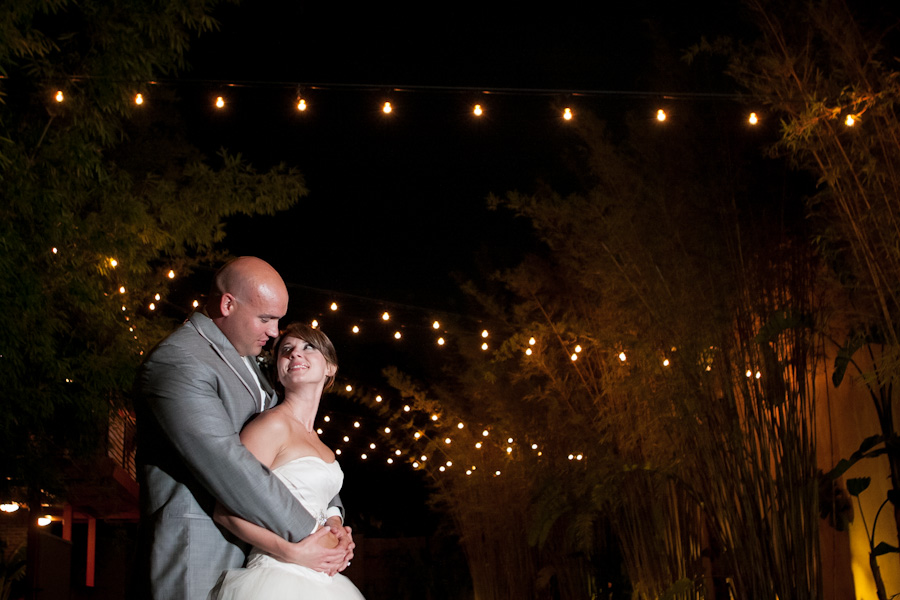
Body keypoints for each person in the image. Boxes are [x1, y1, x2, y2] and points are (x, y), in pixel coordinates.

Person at [134, 257, 353, 599]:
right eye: (266, 319)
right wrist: (315, 533)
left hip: (258, 555)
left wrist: (333, 520)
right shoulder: (180, 361)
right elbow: (229, 463)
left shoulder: (250, 361)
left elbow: (298, 460)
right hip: (201, 552)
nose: (275, 333)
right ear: (227, 304)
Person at [212, 322, 365, 599]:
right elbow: (225, 511)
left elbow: (323, 503)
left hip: (325, 581)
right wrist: (292, 553)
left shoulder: (321, 443)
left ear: (330, 367)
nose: (295, 354)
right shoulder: (270, 426)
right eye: (286, 350)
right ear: (279, 374)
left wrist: (339, 534)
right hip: (277, 575)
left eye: (308, 347)